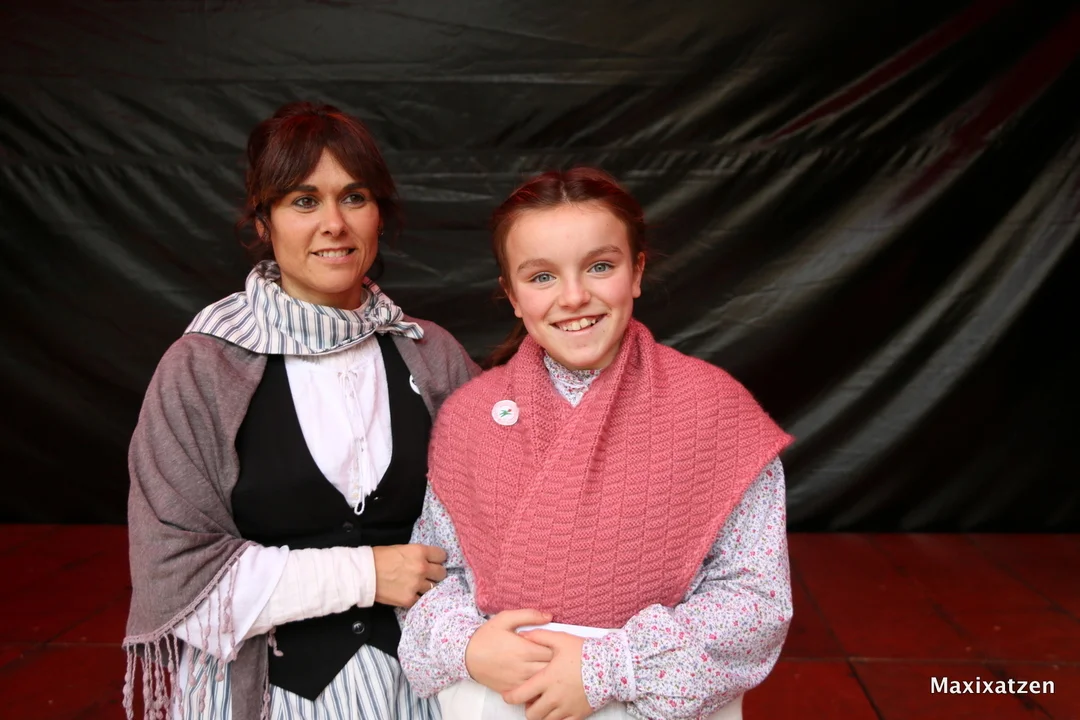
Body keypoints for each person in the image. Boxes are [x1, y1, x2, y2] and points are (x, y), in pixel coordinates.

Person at [123, 101, 479, 720]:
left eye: (354, 197)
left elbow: (503, 521)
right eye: (304, 201)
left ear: (379, 216)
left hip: (428, 686)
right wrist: (366, 575)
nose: (334, 224)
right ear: (263, 221)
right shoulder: (202, 368)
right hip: (268, 694)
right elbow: (178, 579)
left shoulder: (431, 354)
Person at [398, 167, 795, 720]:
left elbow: (756, 599)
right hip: (500, 694)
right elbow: (438, 571)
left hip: (648, 698)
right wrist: (467, 645)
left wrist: (608, 667)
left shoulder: (714, 412)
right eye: (542, 277)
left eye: (600, 267)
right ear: (512, 296)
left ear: (637, 272)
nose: (574, 296)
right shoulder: (470, 418)